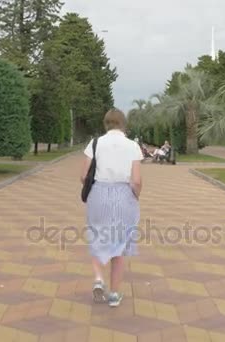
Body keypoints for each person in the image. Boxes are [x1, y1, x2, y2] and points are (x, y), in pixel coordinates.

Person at [80, 108, 143, 308]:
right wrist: (135, 196)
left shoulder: (95, 143)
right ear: (123, 124)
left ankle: (99, 278)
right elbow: (136, 180)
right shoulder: (132, 145)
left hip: (99, 194)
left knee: (97, 236)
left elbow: (83, 175)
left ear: (106, 123)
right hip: (124, 194)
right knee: (120, 244)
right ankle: (114, 295)